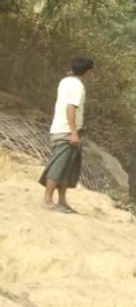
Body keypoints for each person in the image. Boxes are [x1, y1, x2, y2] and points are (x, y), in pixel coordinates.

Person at [38, 57, 94, 213]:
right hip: (66, 131)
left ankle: (62, 202)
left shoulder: (65, 81)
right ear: (88, 71)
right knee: (59, 165)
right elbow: (71, 108)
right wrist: (74, 132)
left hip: (60, 128)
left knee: (67, 167)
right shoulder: (78, 87)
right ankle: (48, 199)